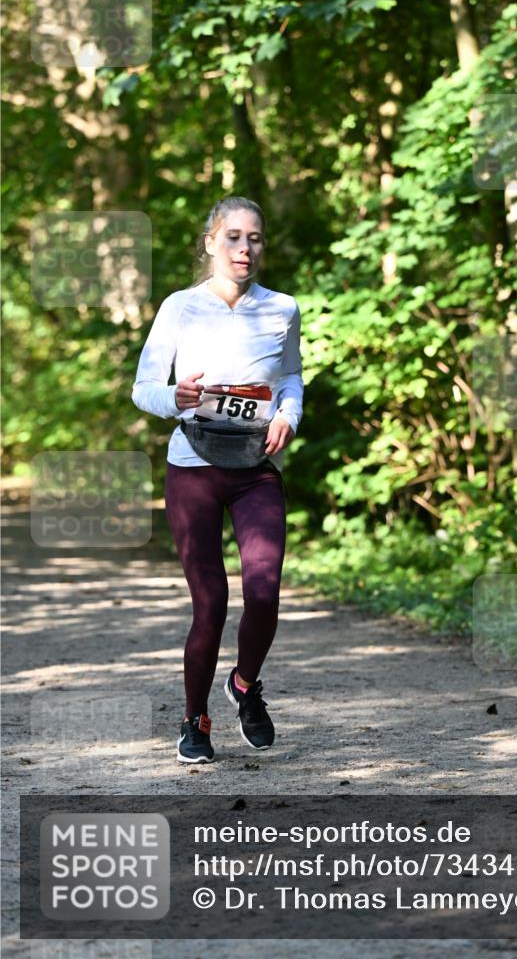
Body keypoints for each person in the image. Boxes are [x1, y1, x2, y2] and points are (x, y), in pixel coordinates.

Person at [131, 196, 303, 764]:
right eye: (232, 237)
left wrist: (287, 414)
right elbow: (144, 388)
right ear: (210, 243)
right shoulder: (180, 308)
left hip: (256, 471)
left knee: (264, 591)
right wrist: (175, 398)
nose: (244, 248)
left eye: (254, 238)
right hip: (193, 468)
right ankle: (194, 719)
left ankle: (246, 687)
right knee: (211, 603)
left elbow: (292, 377)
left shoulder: (282, 308)